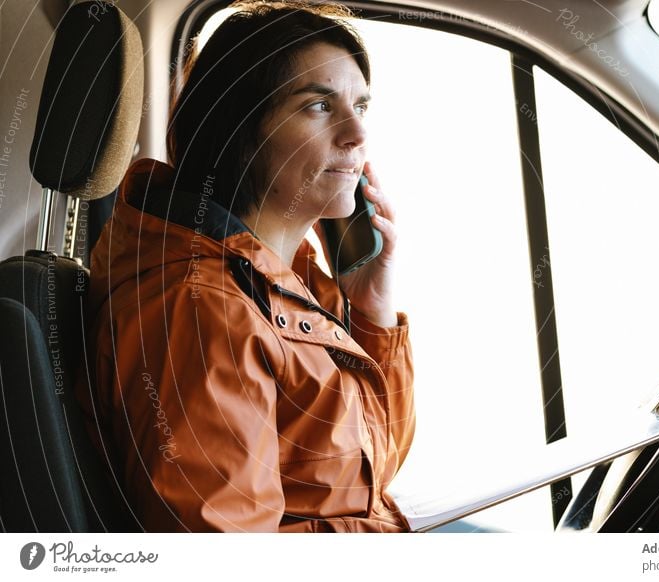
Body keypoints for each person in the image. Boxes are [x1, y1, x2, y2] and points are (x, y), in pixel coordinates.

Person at [78, 0, 415, 532]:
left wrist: (372, 312)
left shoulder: (283, 280)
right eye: (319, 106)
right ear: (243, 127)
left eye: (361, 106)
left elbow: (369, 471)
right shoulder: (204, 309)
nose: (357, 134)